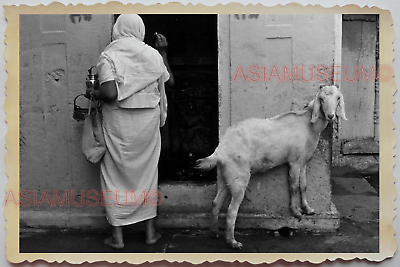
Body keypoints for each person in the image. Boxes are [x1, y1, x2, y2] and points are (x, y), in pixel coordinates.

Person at [85, 14, 174, 249]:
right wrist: (163, 52)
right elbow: (169, 81)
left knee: (114, 176)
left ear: (117, 29)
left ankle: (117, 238)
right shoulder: (152, 54)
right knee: (147, 176)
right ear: (139, 29)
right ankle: (150, 234)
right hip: (147, 124)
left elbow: (111, 93)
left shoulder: (109, 56)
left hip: (119, 124)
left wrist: (94, 93)